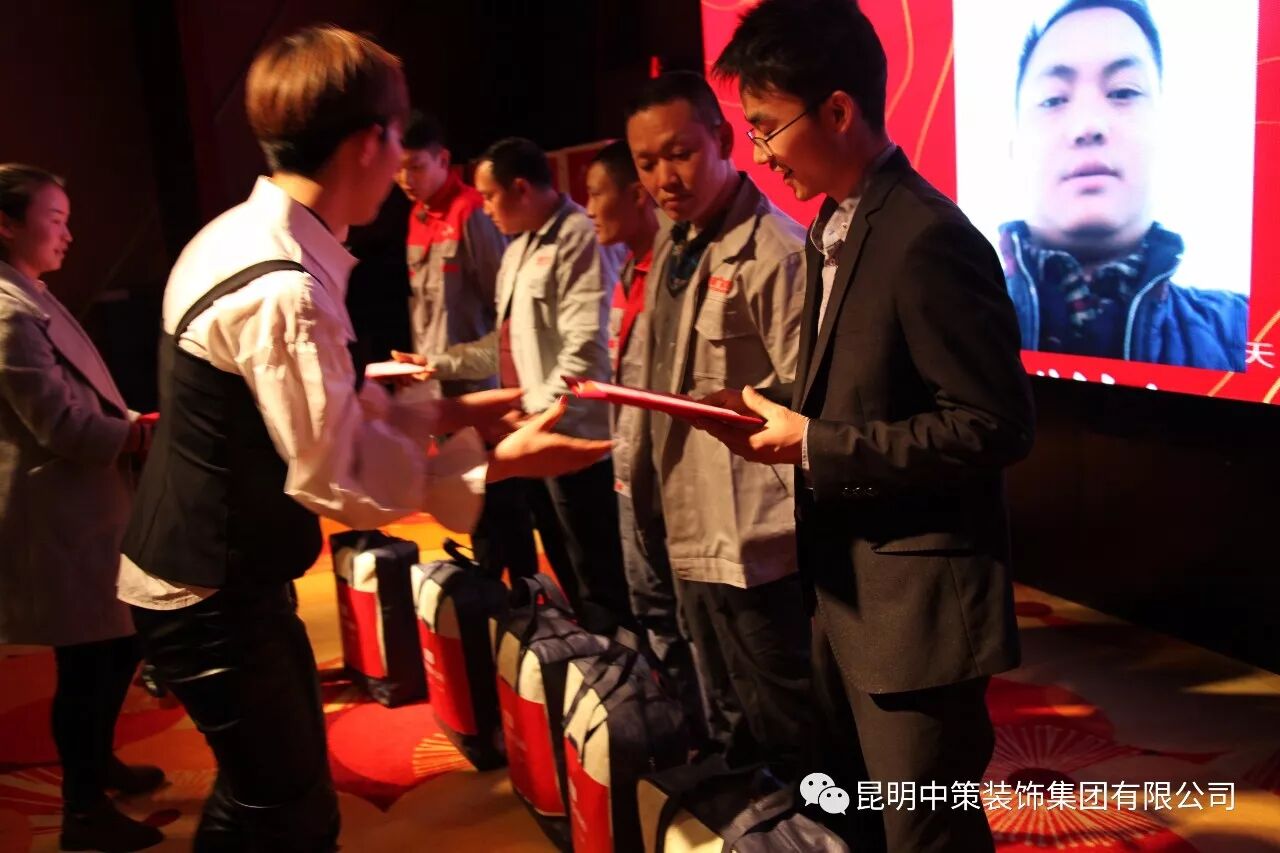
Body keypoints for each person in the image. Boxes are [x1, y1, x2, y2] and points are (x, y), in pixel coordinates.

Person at [117, 27, 609, 851]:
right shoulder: (284, 287)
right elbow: (337, 476)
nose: (403, 163)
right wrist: (497, 461)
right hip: (208, 588)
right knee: (285, 809)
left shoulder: (240, 235)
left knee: (274, 797)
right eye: (398, 135)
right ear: (369, 141)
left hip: (214, 572)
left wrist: (447, 416)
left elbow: (316, 413)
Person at [709, 1, 1036, 849]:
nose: (759, 154)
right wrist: (774, 405)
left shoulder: (927, 237)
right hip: (849, 595)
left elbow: (993, 424)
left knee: (930, 835)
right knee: (865, 822)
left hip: (919, 618)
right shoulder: (837, 221)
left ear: (838, 110)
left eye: (766, 128)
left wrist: (813, 443)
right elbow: (865, 387)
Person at [624, 71, 812, 773]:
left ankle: (823, 823)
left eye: (680, 154)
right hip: (688, 520)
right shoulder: (675, 244)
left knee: (790, 719)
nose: (664, 179)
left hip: (759, 541)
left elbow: (808, 398)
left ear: (724, 140)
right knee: (728, 709)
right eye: (647, 163)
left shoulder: (777, 251)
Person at [0, 163, 165, 852]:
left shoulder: (27, 293)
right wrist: (141, 434)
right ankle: (82, 808)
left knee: (114, 645)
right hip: (58, 513)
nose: (68, 233)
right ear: (6, 224)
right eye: (55, 220)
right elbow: (63, 426)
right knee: (89, 661)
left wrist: (131, 425)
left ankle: (95, 768)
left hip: (82, 504)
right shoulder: (8, 311)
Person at [429, 137, 635, 636]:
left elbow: (586, 350)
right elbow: (504, 344)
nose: (484, 208)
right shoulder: (519, 246)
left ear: (521, 188)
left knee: (599, 579)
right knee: (566, 569)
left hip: (573, 437)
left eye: (489, 196)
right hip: (532, 432)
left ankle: (622, 673)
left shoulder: (579, 237)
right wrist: (435, 363)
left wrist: (537, 416)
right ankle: (591, 664)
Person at [1002, 0, 1247, 369]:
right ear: (1014, 149)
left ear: (1165, 133)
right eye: (1053, 99)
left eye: (1124, 92)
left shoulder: (1245, 333)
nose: (1088, 125)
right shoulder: (943, 316)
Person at [583, 139, 705, 735]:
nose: (587, 209)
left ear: (634, 197)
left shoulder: (677, 269)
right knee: (651, 611)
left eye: (595, 194)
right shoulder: (631, 268)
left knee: (686, 621)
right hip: (628, 472)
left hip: (670, 484)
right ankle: (681, 734)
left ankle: (707, 740)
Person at [395, 110, 539, 581]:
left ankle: (526, 596)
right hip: (441, 388)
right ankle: (490, 596)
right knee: (471, 501)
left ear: (443, 160)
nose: (405, 179)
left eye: (416, 166)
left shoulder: (473, 211)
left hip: (483, 387)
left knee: (503, 501)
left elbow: (504, 305)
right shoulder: (417, 217)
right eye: (398, 168)